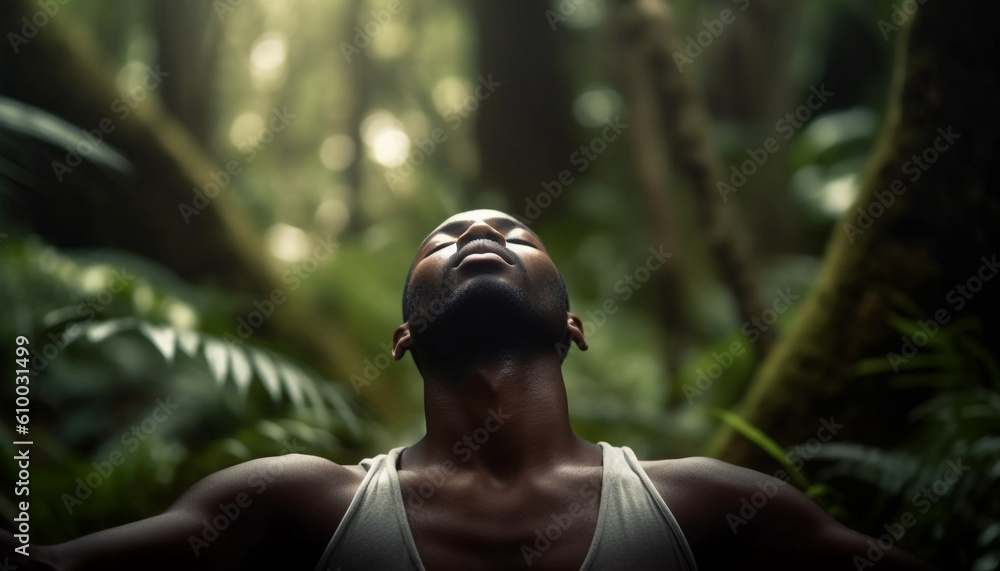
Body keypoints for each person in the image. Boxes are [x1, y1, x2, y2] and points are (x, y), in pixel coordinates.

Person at [3, 209, 935, 570]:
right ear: (403, 335)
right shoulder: (291, 505)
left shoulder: (717, 510)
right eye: (441, 239)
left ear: (574, 324)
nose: (477, 233)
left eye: (513, 233)